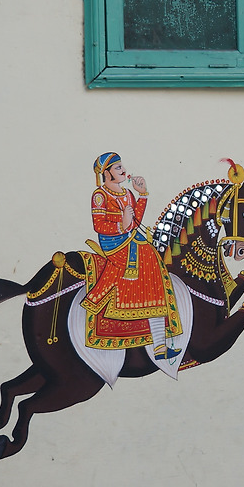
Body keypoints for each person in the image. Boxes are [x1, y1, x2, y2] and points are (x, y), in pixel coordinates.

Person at [82, 152, 179, 356]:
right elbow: (99, 225)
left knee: (151, 253)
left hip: (130, 237)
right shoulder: (100, 195)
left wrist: (142, 195)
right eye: (118, 168)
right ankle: (158, 344)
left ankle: (159, 344)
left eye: (122, 166)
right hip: (113, 243)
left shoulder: (127, 193)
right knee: (147, 254)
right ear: (106, 173)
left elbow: (136, 221)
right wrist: (121, 224)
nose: (124, 170)